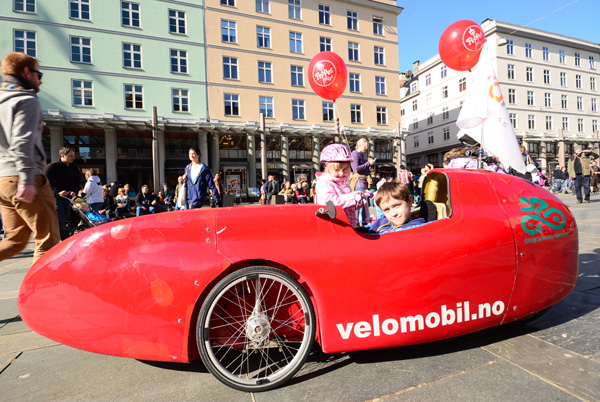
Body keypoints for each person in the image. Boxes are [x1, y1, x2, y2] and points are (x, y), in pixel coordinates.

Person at [0, 52, 60, 262]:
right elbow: (22, 142)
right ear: (26, 72)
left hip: (3, 182)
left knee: (14, 241)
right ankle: (42, 295)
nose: (40, 80)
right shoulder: (26, 99)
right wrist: (26, 179)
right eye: (38, 73)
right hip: (25, 178)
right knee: (49, 242)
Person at [314, 143, 368, 227]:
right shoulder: (324, 182)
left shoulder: (343, 184)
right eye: (337, 170)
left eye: (345, 169)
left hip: (348, 225)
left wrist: (359, 199)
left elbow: (349, 207)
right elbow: (330, 203)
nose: (341, 173)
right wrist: (352, 197)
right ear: (327, 167)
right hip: (334, 225)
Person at [45, 146, 81, 240]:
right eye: (71, 156)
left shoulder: (74, 168)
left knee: (64, 220)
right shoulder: (52, 167)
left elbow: (77, 183)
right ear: (62, 155)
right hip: (55, 198)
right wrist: (57, 192)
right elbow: (47, 182)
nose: (73, 158)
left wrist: (74, 191)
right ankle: (65, 241)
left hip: (68, 198)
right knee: (60, 221)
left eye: (73, 156)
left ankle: (59, 239)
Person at [350, 138, 376, 226]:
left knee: (365, 203)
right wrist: (368, 163)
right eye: (365, 146)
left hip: (363, 182)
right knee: (359, 203)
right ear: (360, 145)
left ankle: (365, 222)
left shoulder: (360, 155)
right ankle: (356, 223)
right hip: (359, 181)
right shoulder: (355, 154)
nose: (366, 149)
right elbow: (356, 169)